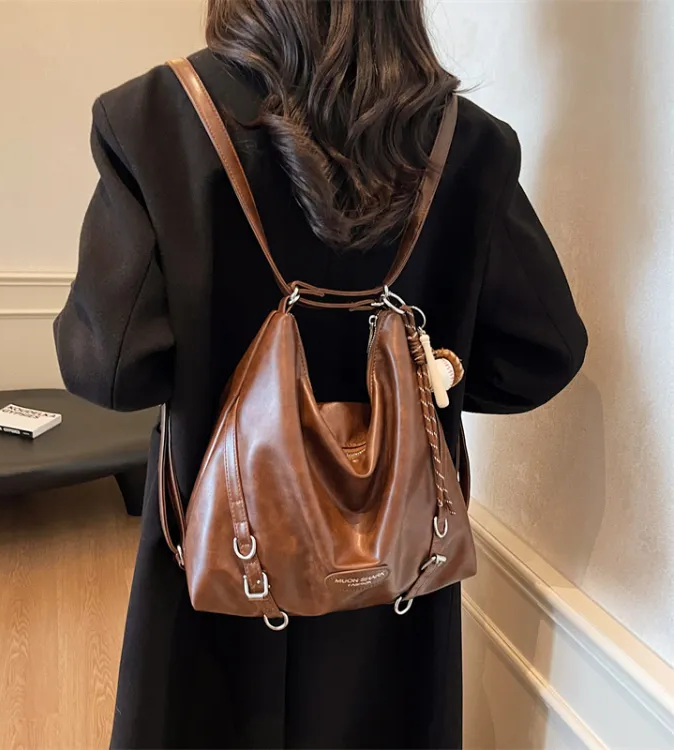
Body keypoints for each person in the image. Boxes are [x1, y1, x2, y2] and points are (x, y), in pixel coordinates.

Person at [54, 1, 587, 747]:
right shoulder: (465, 143)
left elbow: (111, 371)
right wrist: (430, 376)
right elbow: (543, 353)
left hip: (222, 568)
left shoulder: (154, 117)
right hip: (394, 577)